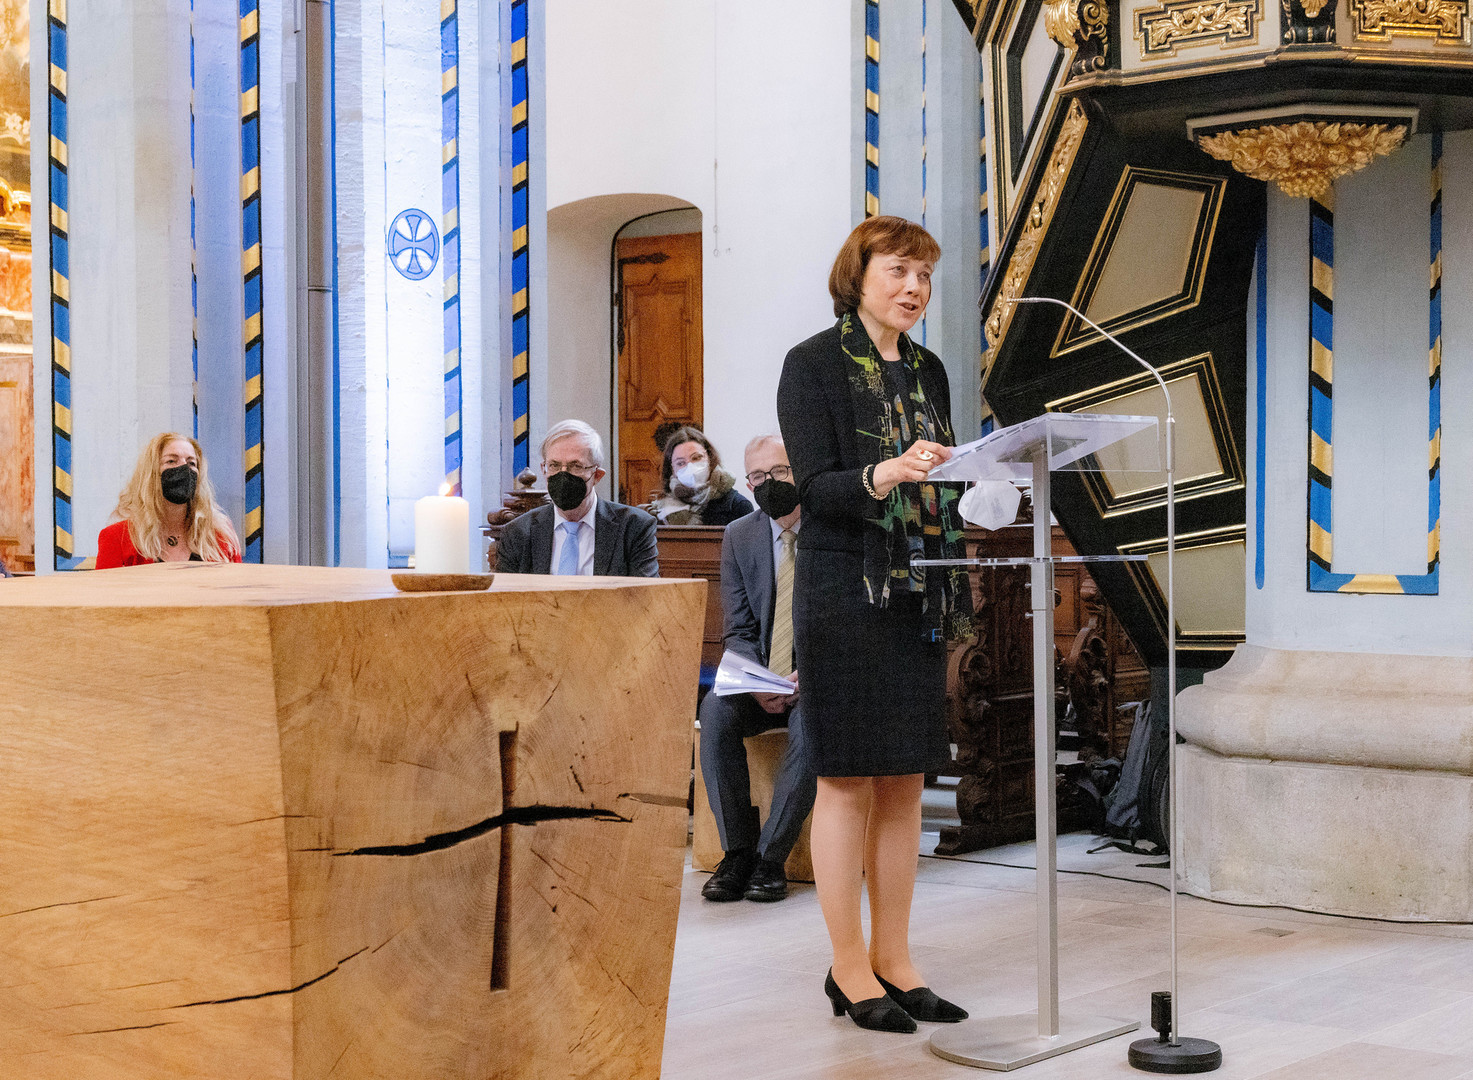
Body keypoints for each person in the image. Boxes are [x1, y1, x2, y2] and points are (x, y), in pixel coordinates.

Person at [776, 216, 973, 1034]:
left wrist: (973, 482)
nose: (914, 288)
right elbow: (810, 489)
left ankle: (896, 958)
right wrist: (883, 473)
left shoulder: (928, 369)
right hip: (844, 589)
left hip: (917, 589)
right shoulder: (812, 364)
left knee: (903, 781)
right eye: (899, 271)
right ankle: (847, 965)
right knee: (847, 779)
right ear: (857, 275)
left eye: (925, 275)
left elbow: (947, 467)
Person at [697, 435, 816, 904]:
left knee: (814, 726)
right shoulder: (740, 534)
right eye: (758, 476)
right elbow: (739, 627)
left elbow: (845, 621)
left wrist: (811, 676)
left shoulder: (830, 533)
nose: (769, 483)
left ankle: (771, 858)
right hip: (762, 681)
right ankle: (737, 853)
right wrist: (754, 682)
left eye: (780, 472)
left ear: (800, 470)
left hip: (817, 682)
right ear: (747, 483)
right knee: (716, 712)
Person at [496, 419, 660, 576]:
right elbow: (503, 600)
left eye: (576, 466)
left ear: (597, 475)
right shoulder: (517, 532)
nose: (563, 475)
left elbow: (645, 599)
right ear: (543, 469)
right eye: (554, 465)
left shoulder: (634, 528)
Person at [96, 433, 242, 568]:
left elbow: (237, 589)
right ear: (151, 473)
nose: (184, 468)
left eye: (191, 463)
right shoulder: (117, 538)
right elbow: (104, 593)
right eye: (171, 461)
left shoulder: (221, 535)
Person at [645, 426, 753, 526]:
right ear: (671, 469)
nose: (690, 467)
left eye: (696, 458)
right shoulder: (661, 510)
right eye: (680, 463)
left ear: (710, 457)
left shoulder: (737, 506)